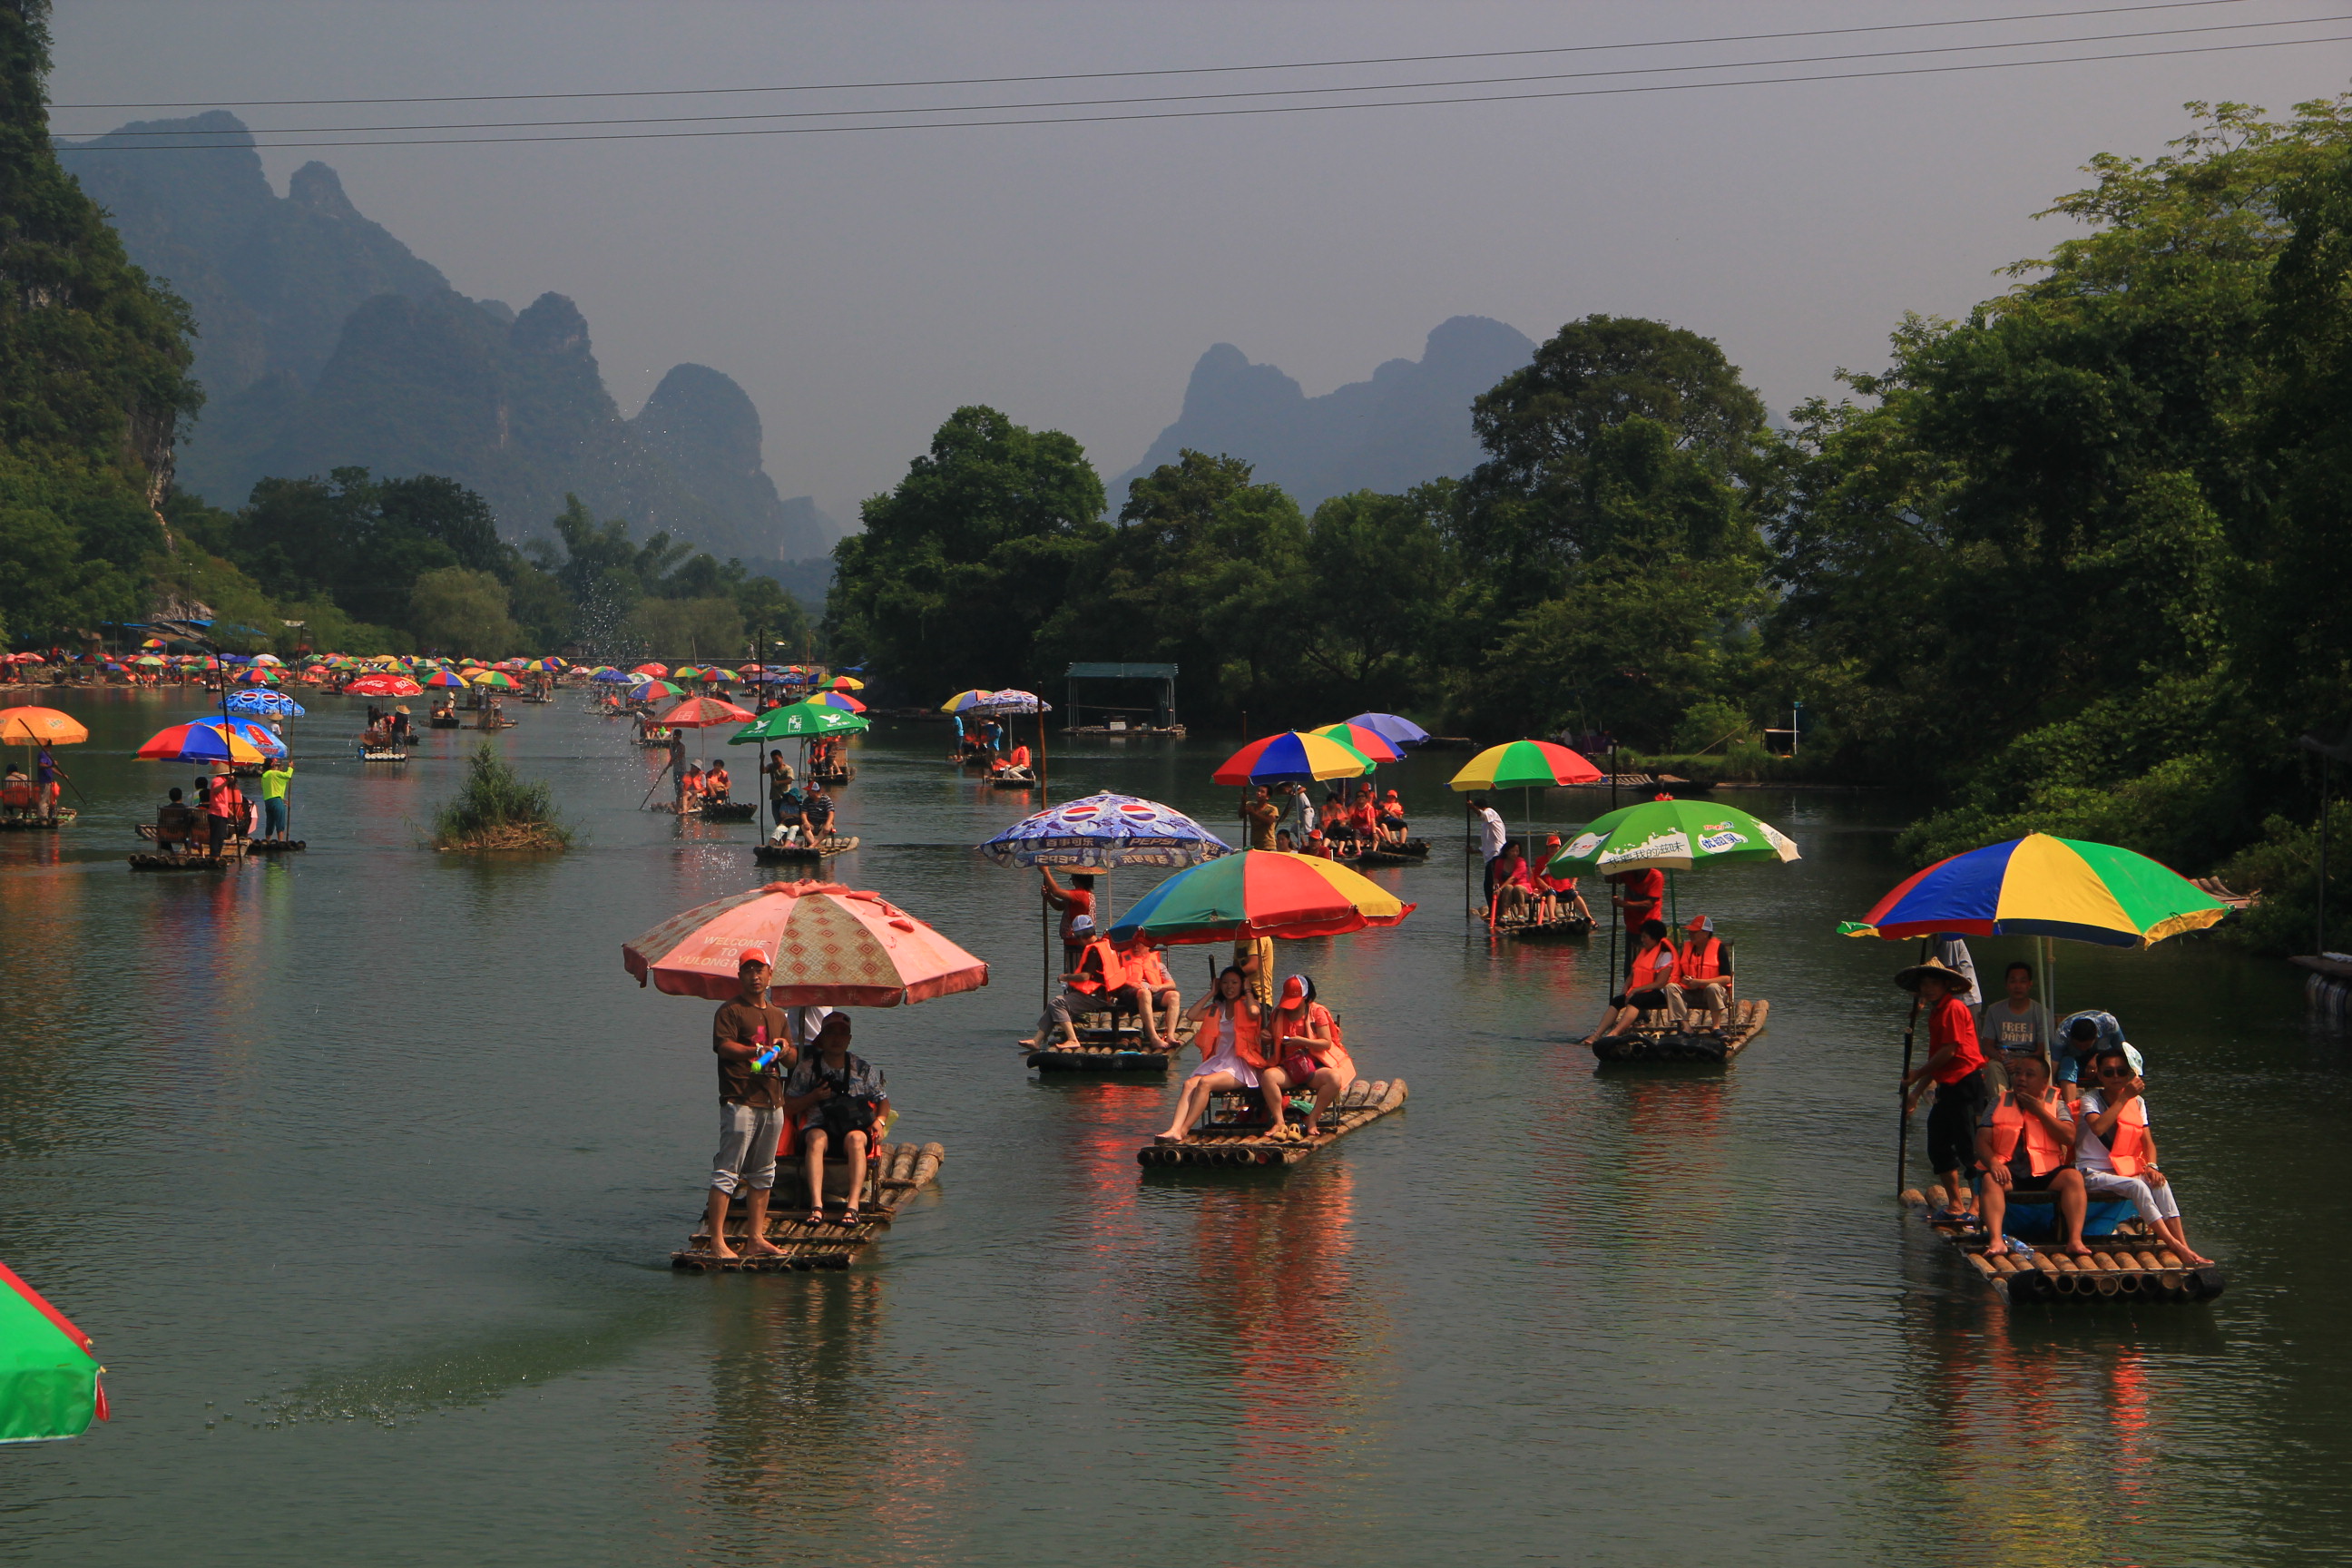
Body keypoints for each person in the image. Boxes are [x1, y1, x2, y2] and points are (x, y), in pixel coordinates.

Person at [2073, 1045, 2210, 1266]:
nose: (2116, 1077)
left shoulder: (2137, 1102)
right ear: (2099, 1075)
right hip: (2092, 1171)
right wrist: (2125, 1096)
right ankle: (2174, 1246)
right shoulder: (2091, 1099)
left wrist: (2152, 1166)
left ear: (2129, 1074)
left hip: (2124, 1169)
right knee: (2137, 1187)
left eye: (2121, 1072)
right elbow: (2098, 1128)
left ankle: (2184, 1245)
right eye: (2109, 1072)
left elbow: (2148, 1143)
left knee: (2159, 1183)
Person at [701, 950, 794, 1261]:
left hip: (772, 1099)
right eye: (748, 970)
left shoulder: (780, 1015)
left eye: (760, 970)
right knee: (727, 1172)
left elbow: (792, 1058)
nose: (755, 976)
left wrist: (782, 1050)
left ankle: (755, 1238)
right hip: (739, 1098)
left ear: (770, 975)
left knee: (764, 1172)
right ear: (740, 975)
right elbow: (724, 1046)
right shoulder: (730, 1011)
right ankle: (717, 1241)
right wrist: (754, 1050)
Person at [1972, 1048, 2090, 1259]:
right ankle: (1997, 1241)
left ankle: (2074, 1240)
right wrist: (1994, 1163)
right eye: (2018, 1073)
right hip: (2009, 1172)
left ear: (2044, 1082)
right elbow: (1981, 1141)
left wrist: (2039, 1112)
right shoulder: (1998, 1102)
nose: (2021, 1079)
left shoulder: (2057, 1104)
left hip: (2046, 1173)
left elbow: (2069, 1137)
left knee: (2073, 1177)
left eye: (2029, 1074)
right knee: (1990, 1180)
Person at [1898, 957, 1990, 1225]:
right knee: (1938, 1144)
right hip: (1948, 1085)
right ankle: (1954, 1203)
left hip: (1965, 1083)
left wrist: (1916, 1073)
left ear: (1946, 985)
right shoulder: (1937, 1012)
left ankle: (1977, 1203)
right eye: (1924, 984)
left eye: (1934, 983)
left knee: (1967, 1145)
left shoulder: (1953, 1008)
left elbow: (1949, 1052)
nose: (1928, 988)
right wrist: (1916, 1092)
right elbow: (1937, 1059)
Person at [782, 1014, 888, 1224]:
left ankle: (853, 1206)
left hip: (853, 1127)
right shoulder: (807, 1068)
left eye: (842, 1034)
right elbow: (788, 1107)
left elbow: (882, 1100)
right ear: (822, 1037)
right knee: (816, 1138)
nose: (836, 1039)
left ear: (849, 1038)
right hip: (819, 1126)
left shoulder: (862, 1068)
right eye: (831, 1033)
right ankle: (816, 1205)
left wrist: (880, 1120)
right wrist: (814, 1097)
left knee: (857, 1139)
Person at [1155, 966, 1266, 1143]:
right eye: (1225, 983)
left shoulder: (1247, 1004)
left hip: (1241, 1064)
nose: (1229, 987)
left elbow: (1255, 1012)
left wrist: (1247, 989)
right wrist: (1211, 992)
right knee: (1189, 1084)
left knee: (1205, 1083)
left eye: (1234, 983)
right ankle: (1174, 1128)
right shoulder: (1217, 1008)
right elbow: (1191, 1015)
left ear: (1242, 985)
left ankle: (1183, 1130)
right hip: (1219, 1062)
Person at [1260, 975, 1357, 1141]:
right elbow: (1270, 1032)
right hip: (1288, 1067)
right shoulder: (1278, 1013)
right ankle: (1279, 1121)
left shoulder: (1317, 1012)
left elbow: (1326, 1043)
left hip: (1313, 1067)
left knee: (1334, 1079)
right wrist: (1266, 1035)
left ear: (1305, 997)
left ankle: (1312, 1119)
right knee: (1268, 1077)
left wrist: (1302, 1041)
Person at [1583, 920, 1686, 1042]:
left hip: (1661, 993)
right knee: (1617, 1001)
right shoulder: (1645, 953)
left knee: (1636, 1000)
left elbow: (1660, 983)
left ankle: (1615, 1033)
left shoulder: (1665, 955)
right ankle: (1597, 1035)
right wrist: (1626, 988)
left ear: (1655, 938)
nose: (1642, 940)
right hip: (1642, 991)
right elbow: (1633, 974)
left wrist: (1635, 991)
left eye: (1645, 937)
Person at [1028, 916, 1122, 1047]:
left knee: (1057, 1003)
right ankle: (1036, 1041)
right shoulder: (1105, 944)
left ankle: (1072, 1039)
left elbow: (1085, 976)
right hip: (1109, 992)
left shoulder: (1094, 950)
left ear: (1080, 936)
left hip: (1098, 995)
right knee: (1053, 1004)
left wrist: (1065, 977)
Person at [1117, 937, 1183, 1051]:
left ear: (1148, 946)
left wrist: (1159, 987)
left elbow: (1172, 984)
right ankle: (1153, 1037)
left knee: (1174, 995)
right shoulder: (1123, 959)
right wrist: (1133, 984)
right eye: (1133, 944)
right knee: (1145, 993)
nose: (1135, 947)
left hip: (1152, 993)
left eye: (1139, 944)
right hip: (1131, 994)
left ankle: (1170, 1036)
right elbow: (1115, 979)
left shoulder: (1157, 964)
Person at [1977, 961, 2054, 1056]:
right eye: (2013, 981)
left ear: (2030, 984)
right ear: (2006, 984)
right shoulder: (1993, 1010)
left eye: (2023, 981)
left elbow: (2043, 1049)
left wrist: (2022, 1061)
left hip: (2031, 1059)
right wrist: (2000, 1057)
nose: (2018, 986)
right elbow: (1987, 1046)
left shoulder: (2042, 1013)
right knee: (1994, 1068)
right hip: (2003, 1058)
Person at [1673, 916, 1735, 1030]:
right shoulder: (1686, 948)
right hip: (1690, 992)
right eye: (1690, 932)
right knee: (1671, 987)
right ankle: (1686, 1026)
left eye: (1694, 932)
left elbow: (1727, 978)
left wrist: (1700, 982)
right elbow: (1679, 975)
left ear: (1706, 933)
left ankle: (1716, 1027)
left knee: (1713, 987)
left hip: (1712, 994)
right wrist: (1684, 979)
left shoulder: (1719, 948)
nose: (1690, 934)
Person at [2053, 1010, 2132, 1097]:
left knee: (2114, 1066)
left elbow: (2121, 1051)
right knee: (2067, 1063)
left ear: (2095, 1038)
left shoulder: (2109, 1023)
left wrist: (2097, 1058)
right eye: (2079, 1045)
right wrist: (2051, 1083)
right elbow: (2054, 1061)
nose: (2083, 1048)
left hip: (2102, 1054)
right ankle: (2070, 1105)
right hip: (2073, 1058)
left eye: (2086, 1045)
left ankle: (2118, 1099)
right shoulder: (2062, 1033)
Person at [1041, 869, 1097, 971]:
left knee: (1074, 972)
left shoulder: (1081, 894)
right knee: (1071, 970)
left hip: (1077, 943)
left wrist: (1046, 872)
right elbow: (1059, 906)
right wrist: (1048, 897)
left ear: (1077, 880)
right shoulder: (1080, 896)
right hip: (1073, 942)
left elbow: (1056, 891)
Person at [1607, 866, 1666, 940]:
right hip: (1631, 926)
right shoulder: (1629, 873)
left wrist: (1623, 903)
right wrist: (1615, 866)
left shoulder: (1656, 876)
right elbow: (1608, 879)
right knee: (1631, 950)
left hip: (1650, 928)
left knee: (1648, 950)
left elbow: (1649, 904)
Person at [1489, 841, 1538, 925]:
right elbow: (1496, 876)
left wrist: (1500, 889)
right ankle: (1505, 914)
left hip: (1522, 887)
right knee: (1508, 887)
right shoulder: (1500, 862)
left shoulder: (1521, 862)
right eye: (1512, 851)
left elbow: (1513, 878)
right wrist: (1495, 883)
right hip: (1507, 888)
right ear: (1507, 851)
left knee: (1517, 888)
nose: (1515, 853)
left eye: (1517, 851)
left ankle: (1520, 914)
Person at [1470, 794, 1506, 902]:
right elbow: (1486, 845)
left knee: (1491, 884)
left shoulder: (1491, 813)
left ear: (1479, 807)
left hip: (1496, 854)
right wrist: (1474, 851)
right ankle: (1492, 909)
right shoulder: (1486, 825)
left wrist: (1472, 807)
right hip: (1490, 856)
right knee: (1488, 884)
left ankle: (1495, 910)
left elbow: (1483, 815)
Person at [201, 766, 242, 858]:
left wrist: (232, 814)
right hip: (217, 813)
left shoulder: (223, 782)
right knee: (217, 837)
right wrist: (227, 782)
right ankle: (215, 856)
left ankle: (217, 855)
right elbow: (216, 790)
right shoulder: (218, 780)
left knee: (221, 836)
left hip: (222, 813)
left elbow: (223, 803)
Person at [259, 756, 294, 842]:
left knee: (270, 822)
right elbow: (288, 775)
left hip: (268, 801)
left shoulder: (264, 776)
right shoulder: (274, 773)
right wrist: (290, 767)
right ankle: (280, 840)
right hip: (276, 801)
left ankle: (267, 840)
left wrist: (282, 799)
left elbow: (272, 788)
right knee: (280, 820)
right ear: (272, 764)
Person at [154, 786, 197, 853]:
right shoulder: (186, 809)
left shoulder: (164, 809)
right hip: (183, 835)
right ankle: (188, 852)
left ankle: (170, 852)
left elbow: (160, 822)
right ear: (181, 797)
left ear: (170, 797)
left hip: (167, 834)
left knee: (163, 834)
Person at [1240, 786, 1280, 852]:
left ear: (1267, 797)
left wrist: (1253, 813)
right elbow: (1241, 815)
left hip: (1268, 845)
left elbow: (1269, 821)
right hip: (1255, 845)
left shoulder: (1272, 809)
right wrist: (1243, 803)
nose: (1258, 793)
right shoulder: (1250, 805)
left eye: (1262, 792)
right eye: (1258, 791)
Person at [764, 750, 797, 828]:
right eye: (773, 759)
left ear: (781, 758)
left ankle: (786, 837)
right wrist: (762, 760)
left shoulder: (788, 769)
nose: (775, 761)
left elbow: (790, 780)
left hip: (785, 798)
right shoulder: (771, 766)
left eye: (776, 759)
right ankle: (781, 839)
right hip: (775, 798)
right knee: (777, 821)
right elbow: (763, 771)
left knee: (784, 820)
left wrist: (778, 782)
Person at [34, 741, 60, 821]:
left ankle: (47, 814)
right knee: (43, 799)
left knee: (48, 800)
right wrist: (51, 765)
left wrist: (61, 775)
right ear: (49, 746)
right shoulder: (43, 753)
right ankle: (42, 816)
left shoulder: (48, 754)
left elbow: (51, 768)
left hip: (48, 780)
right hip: (44, 779)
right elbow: (41, 765)